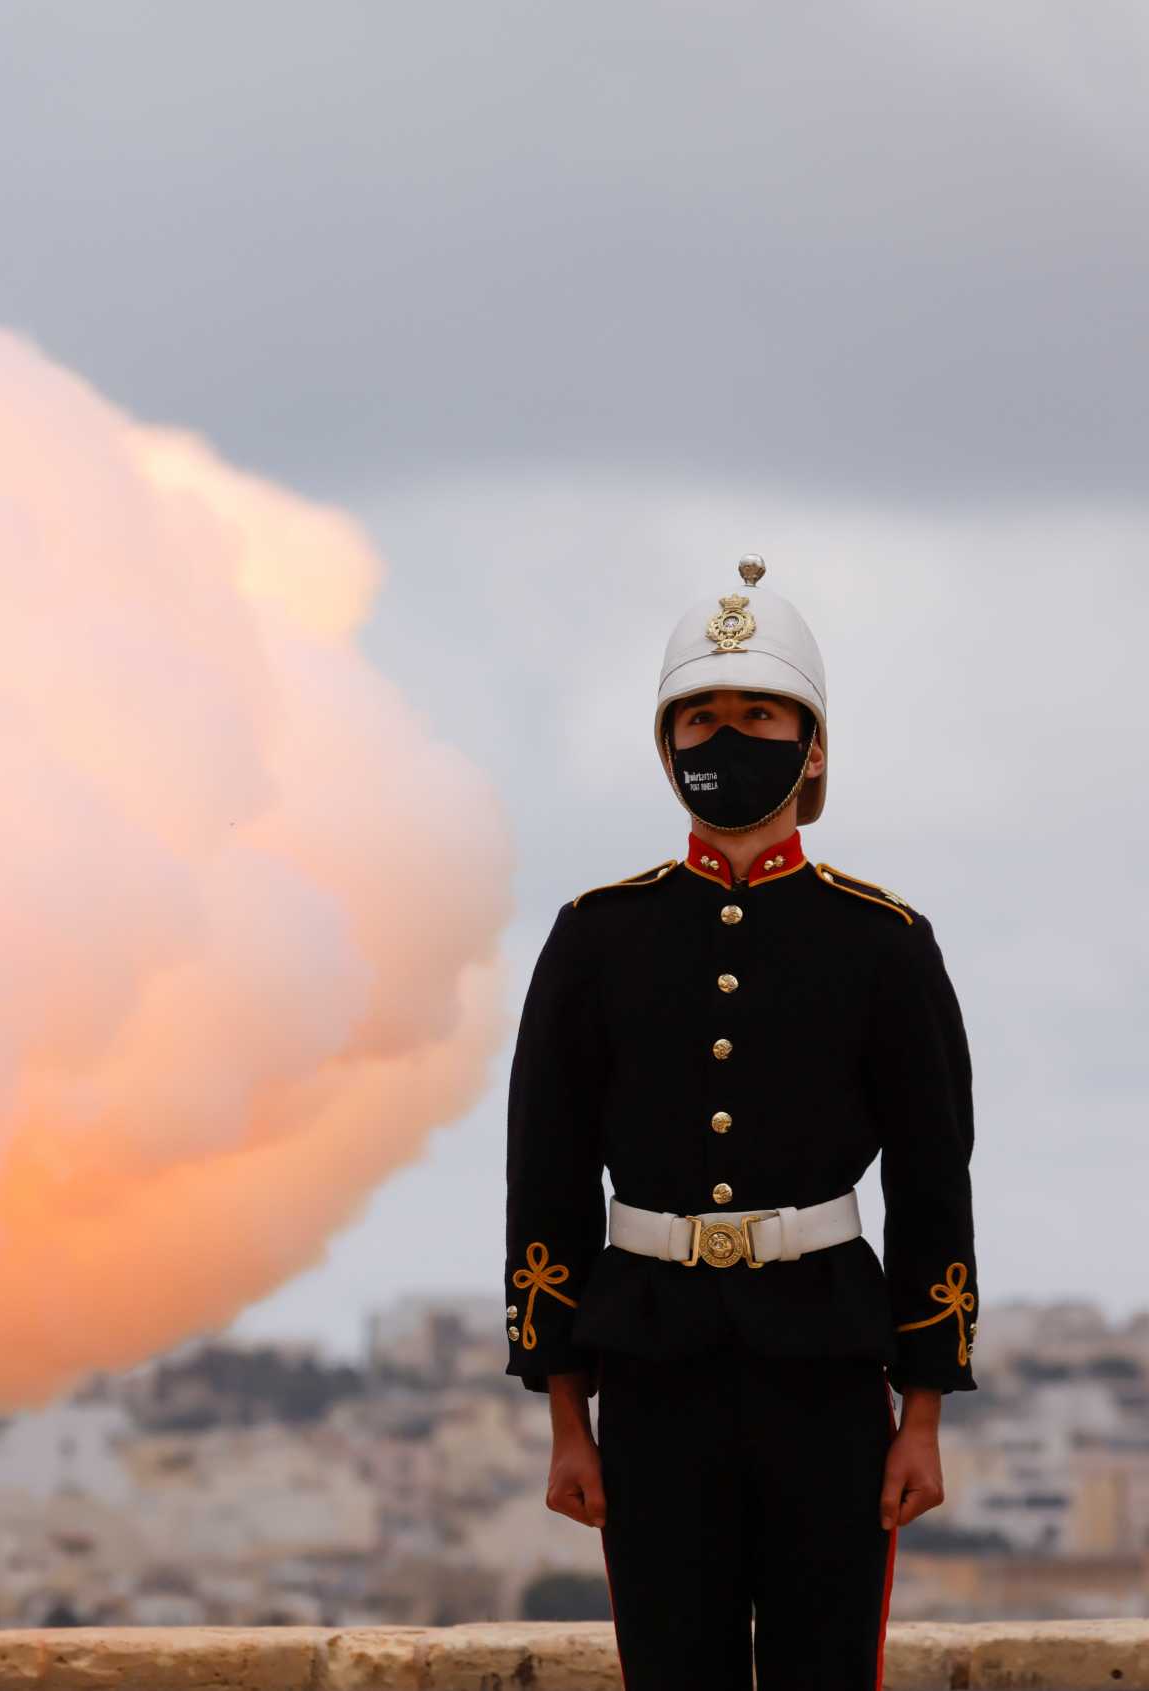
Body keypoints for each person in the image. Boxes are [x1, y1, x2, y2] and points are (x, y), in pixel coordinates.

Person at [502, 557, 977, 1688]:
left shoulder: (881, 941)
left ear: (810, 744)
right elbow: (547, 1178)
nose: (729, 734)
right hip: (651, 1366)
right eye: (701, 715)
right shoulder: (597, 935)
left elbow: (932, 1181)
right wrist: (567, 1412)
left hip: (825, 1370)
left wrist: (922, 1413)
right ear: (667, 745)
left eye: (757, 711)